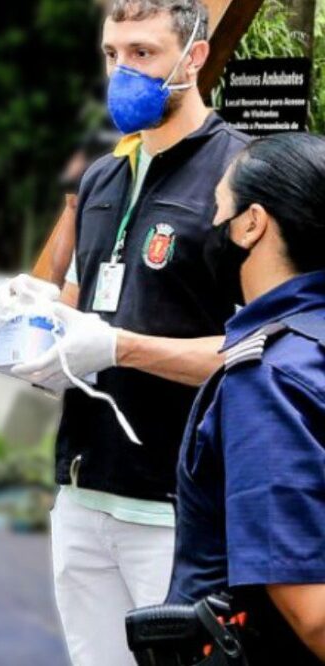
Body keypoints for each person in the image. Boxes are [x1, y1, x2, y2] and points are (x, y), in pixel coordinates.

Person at [0, 1, 249, 663]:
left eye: (143, 53)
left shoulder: (243, 177)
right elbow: (76, 313)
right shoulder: (102, 177)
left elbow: (261, 352)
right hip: (83, 490)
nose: (122, 71)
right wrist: (29, 323)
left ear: (194, 58)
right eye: (112, 54)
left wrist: (122, 349)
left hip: (179, 511)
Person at [163, 132, 325, 664]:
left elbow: (314, 612)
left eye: (218, 209)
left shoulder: (268, 378)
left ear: (251, 223)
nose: (210, 229)